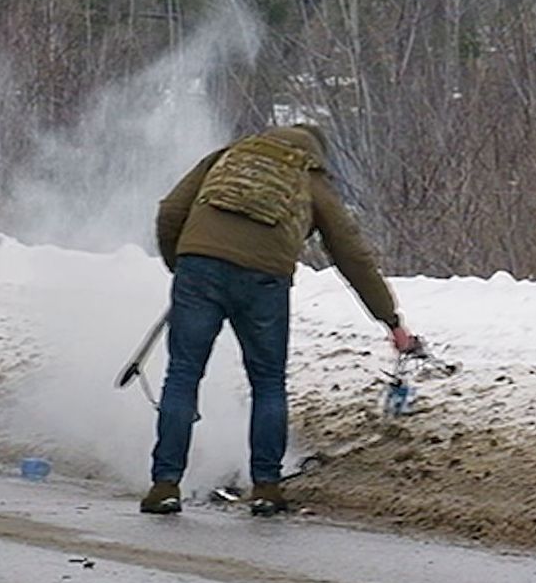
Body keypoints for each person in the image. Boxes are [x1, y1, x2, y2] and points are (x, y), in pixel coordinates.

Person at [140, 123, 417, 517]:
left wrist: (184, 265)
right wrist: (391, 321)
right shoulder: (309, 177)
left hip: (198, 270)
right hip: (263, 281)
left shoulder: (228, 156)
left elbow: (171, 211)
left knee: (183, 375)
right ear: (317, 153)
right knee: (268, 383)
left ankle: (165, 485)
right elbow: (351, 253)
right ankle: (267, 488)